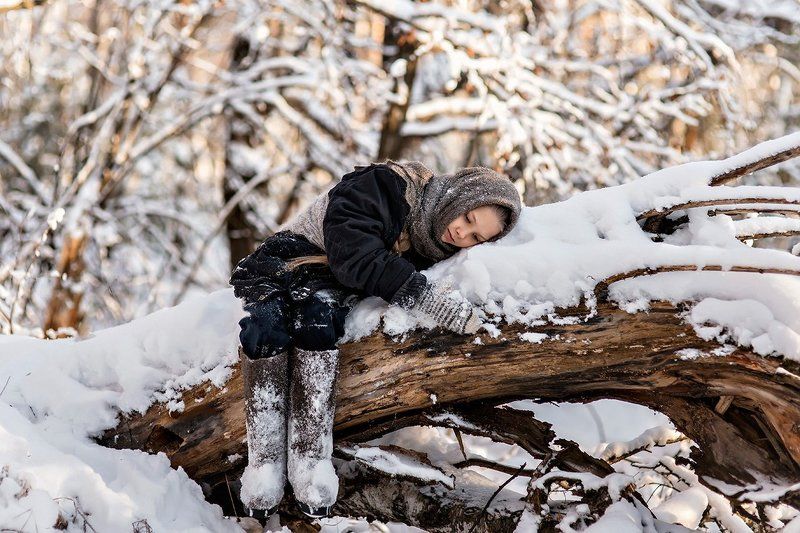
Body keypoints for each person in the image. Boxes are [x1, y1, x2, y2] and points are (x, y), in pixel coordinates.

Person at [228, 160, 521, 521]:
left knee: (318, 323)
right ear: (457, 197)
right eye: (468, 218)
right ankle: (265, 462)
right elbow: (354, 254)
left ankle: (310, 458)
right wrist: (423, 297)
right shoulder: (386, 186)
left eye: (475, 237)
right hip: (292, 258)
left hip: (329, 281)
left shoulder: (433, 243)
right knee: (267, 326)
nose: (462, 233)